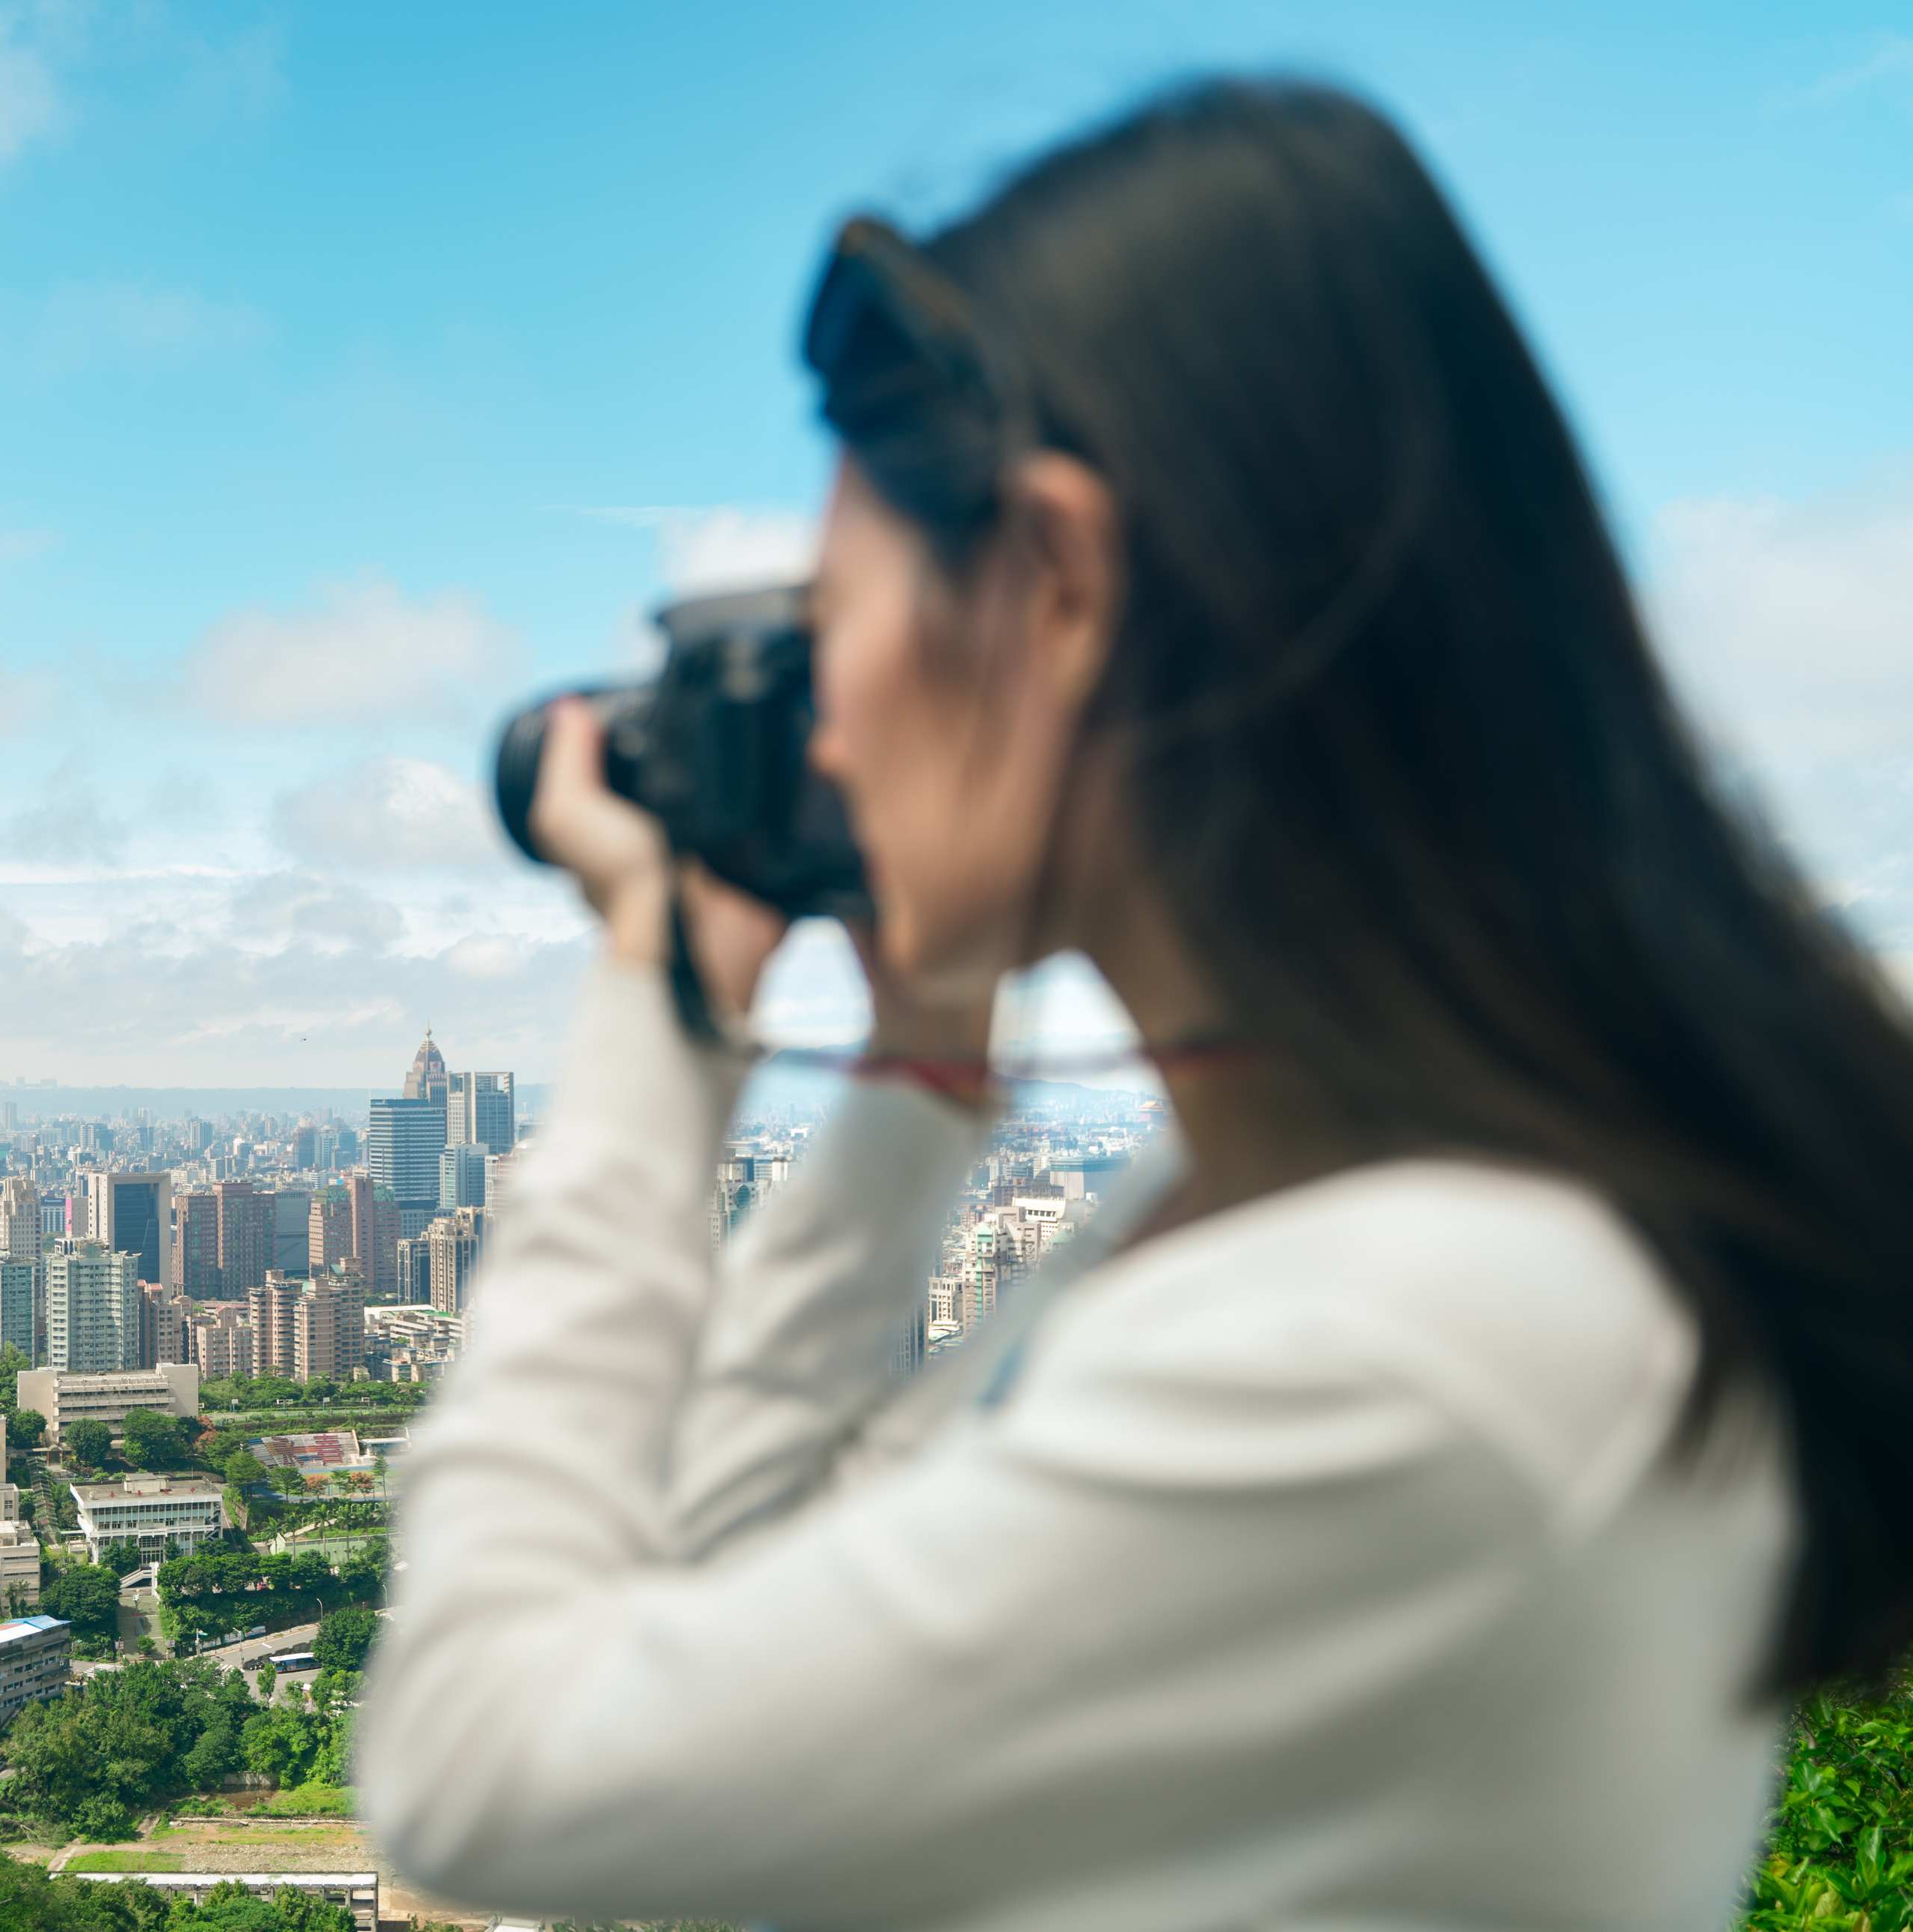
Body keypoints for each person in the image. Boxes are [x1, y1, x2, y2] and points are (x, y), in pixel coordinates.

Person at [357, 78, 1913, 1929]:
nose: (826, 729)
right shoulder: (1266, 1210)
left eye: (831, 625)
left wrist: (661, 994)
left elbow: (476, 1763)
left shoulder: (1421, 1341)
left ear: (1063, 585)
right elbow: (728, 1594)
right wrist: (919, 1064)